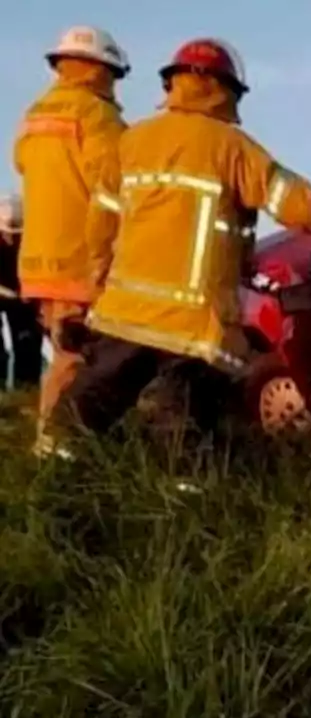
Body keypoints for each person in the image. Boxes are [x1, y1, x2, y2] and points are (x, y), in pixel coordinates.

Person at [50, 38, 311, 452]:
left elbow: (100, 227)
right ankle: (184, 505)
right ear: (226, 89)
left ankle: (49, 488)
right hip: (193, 330)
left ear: (174, 83)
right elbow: (304, 209)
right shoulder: (232, 148)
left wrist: (97, 284)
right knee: (182, 441)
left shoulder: (131, 143)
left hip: (125, 319)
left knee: (77, 421)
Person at [12, 26, 130, 453]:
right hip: (81, 260)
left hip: (38, 262)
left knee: (65, 351)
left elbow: (22, 163)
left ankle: (58, 440)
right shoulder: (99, 118)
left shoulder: (34, 114)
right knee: (77, 358)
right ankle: (57, 447)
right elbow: (117, 188)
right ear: (99, 69)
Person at [0, 193, 44, 389]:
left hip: (24, 293)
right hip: (7, 292)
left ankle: (26, 392)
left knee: (28, 343)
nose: (12, 236)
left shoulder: (35, 240)